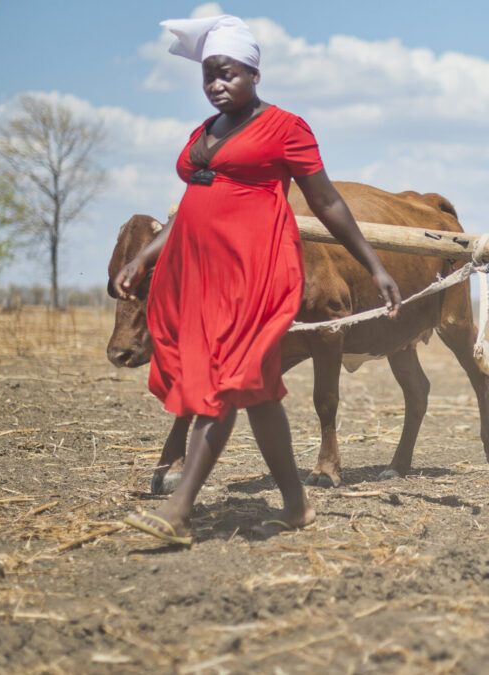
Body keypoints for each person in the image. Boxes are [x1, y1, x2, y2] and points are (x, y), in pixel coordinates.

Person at [115, 15, 402, 545]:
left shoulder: (286, 128)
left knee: (222, 382)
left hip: (254, 271)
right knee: (258, 393)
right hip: (201, 276)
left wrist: (375, 265)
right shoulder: (205, 133)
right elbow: (186, 210)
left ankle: (179, 510)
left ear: (253, 72)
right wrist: (143, 260)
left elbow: (328, 201)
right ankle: (296, 506)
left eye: (227, 74)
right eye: (208, 77)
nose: (216, 85)